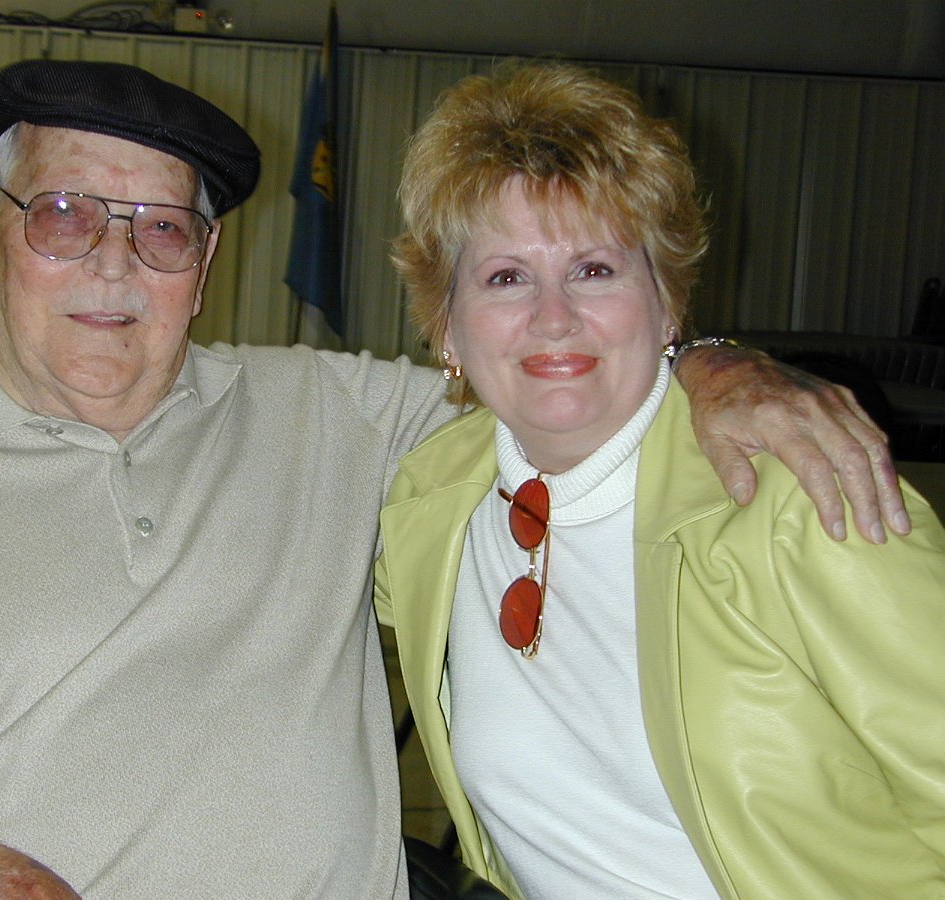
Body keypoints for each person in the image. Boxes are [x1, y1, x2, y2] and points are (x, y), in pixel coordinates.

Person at [0, 58, 910, 899]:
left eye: (162, 230)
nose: (114, 262)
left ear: (205, 263)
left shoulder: (327, 416)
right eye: (62, 215)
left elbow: (558, 367)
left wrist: (713, 361)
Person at [374, 60, 945, 899]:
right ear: (446, 329)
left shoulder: (804, 497)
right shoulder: (429, 504)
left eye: (594, 269)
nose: (553, 316)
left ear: (668, 302)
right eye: (505, 277)